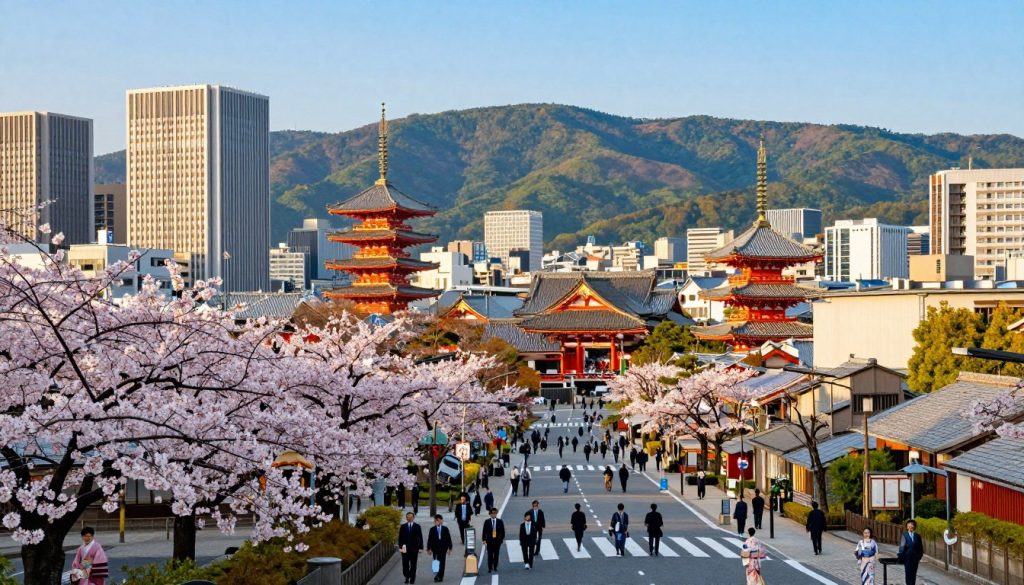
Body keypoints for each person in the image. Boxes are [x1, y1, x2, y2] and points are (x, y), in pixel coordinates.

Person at [398, 512, 424, 584]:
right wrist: (400, 548)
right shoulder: (403, 527)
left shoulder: (417, 526)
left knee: (413, 565)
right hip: (405, 549)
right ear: (406, 518)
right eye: (408, 517)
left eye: (410, 517)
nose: (409, 518)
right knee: (405, 565)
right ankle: (407, 576)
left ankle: (412, 579)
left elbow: (420, 538)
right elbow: (400, 538)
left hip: (414, 549)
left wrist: (421, 547)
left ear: (413, 518)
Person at [426, 515, 453, 582]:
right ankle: (436, 575)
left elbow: (448, 539)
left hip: (443, 548)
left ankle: (440, 576)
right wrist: (428, 548)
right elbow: (429, 539)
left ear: (441, 520)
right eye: (435, 520)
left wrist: (450, 548)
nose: (436, 522)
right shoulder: (432, 529)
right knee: (435, 562)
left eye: (438, 520)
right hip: (435, 548)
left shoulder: (445, 529)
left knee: (442, 563)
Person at [897, 519, 924, 585]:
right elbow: (901, 547)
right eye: (908, 525)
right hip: (907, 558)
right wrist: (901, 556)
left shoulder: (917, 536)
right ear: (907, 527)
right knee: (908, 574)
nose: (910, 526)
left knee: (913, 574)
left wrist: (919, 557)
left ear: (914, 526)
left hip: (915, 558)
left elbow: (920, 548)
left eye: (912, 525)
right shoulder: (904, 535)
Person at [481, 507, 505, 574]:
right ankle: (489, 568)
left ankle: (495, 567)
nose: (494, 515)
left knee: (496, 554)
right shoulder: (487, 522)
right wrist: (483, 539)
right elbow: (484, 531)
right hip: (489, 541)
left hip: (497, 541)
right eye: (492, 513)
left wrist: (501, 539)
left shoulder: (500, 521)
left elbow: (502, 531)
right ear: (490, 514)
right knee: (490, 555)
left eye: (495, 513)